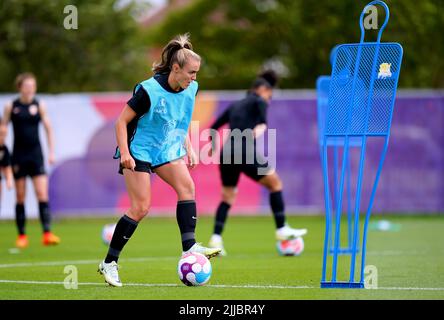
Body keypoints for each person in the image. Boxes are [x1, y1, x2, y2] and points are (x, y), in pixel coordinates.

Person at [98, 34, 221, 287]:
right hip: (139, 150)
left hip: (166, 149)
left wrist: (188, 146)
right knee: (141, 208)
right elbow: (121, 122)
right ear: (176, 68)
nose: (194, 78)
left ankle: (189, 248)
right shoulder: (148, 91)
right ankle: (109, 263)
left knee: (187, 187)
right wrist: (125, 153)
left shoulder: (191, 89)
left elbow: (179, 120)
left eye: (197, 73)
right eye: (191, 72)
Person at [208, 70, 308, 256]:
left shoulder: (235, 105)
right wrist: (258, 129)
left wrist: (212, 147)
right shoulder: (259, 101)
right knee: (275, 183)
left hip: (226, 153)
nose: (268, 100)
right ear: (262, 90)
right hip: (243, 150)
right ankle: (281, 229)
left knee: (227, 197)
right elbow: (262, 122)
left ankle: (216, 239)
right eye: (269, 96)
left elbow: (213, 128)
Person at [2, 73, 60, 248]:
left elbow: (49, 129)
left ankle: (47, 233)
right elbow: (3, 128)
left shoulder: (39, 105)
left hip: (36, 155)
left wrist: (51, 152)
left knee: (42, 194)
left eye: (32, 86)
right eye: (27, 86)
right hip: (19, 156)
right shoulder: (11, 106)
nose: (30, 89)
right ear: (20, 87)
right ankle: (22, 236)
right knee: (20, 196)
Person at [0, 121, 13, 208]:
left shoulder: (4, 149)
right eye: (1, 134)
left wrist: (9, 180)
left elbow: (7, 167)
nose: (3, 138)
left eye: (5, 135)